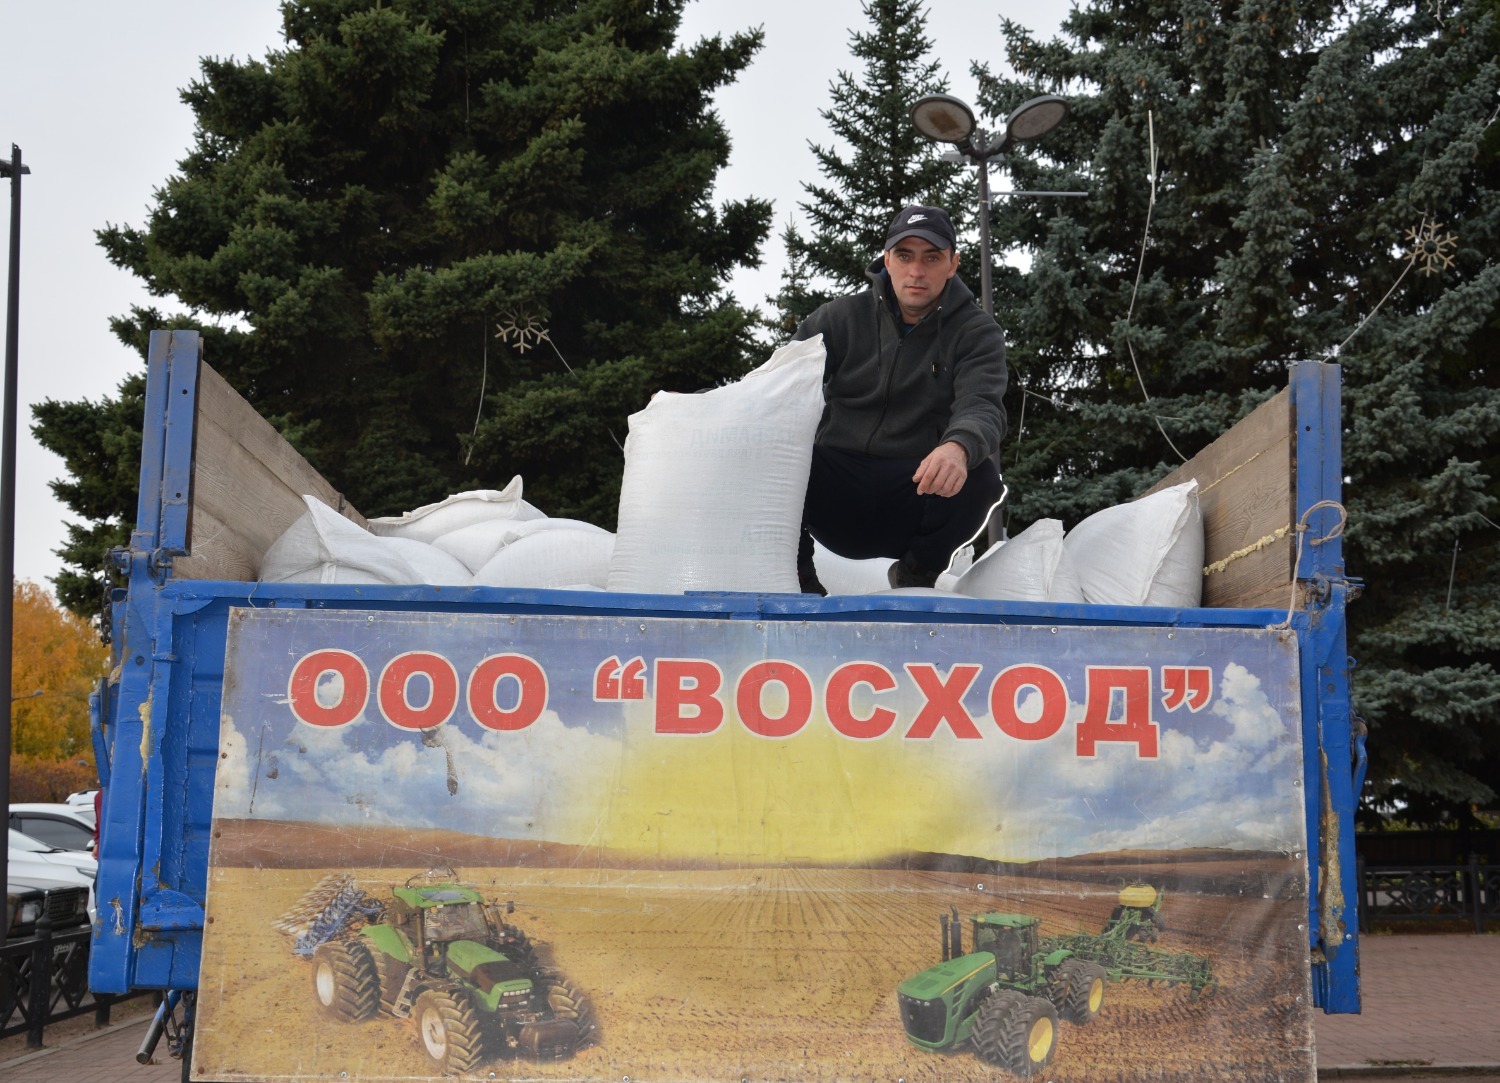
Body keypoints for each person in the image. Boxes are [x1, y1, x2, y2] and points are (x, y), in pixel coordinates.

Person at [792, 205, 1007, 592]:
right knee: (774, 451)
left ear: (953, 264)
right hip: (836, 488)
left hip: (915, 489)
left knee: (981, 475)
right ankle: (800, 580)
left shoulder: (976, 331)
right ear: (887, 259)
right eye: (905, 256)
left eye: (932, 257)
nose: (917, 271)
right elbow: (776, 386)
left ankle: (918, 572)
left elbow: (983, 404)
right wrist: (702, 403)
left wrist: (958, 447)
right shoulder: (838, 319)